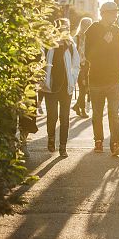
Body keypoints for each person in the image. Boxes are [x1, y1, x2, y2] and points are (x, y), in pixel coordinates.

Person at [85, 2, 119, 156]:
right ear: (103, 13)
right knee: (97, 113)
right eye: (112, 13)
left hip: (114, 80)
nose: (115, 16)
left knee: (114, 114)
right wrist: (104, 42)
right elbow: (88, 55)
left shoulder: (117, 31)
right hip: (96, 79)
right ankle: (98, 141)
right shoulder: (92, 30)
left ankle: (115, 144)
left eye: (116, 13)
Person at [42, 18, 80, 158]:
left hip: (66, 87)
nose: (65, 30)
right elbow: (42, 63)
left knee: (65, 118)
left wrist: (73, 79)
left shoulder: (71, 45)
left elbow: (76, 65)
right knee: (52, 116)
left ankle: (63, 146)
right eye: (62, 28)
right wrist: (44, 80)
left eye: (67, 28)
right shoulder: (48, 44)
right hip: (51, 87)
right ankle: (51, 138)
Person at [72, 17, 93, 118]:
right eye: (86, 24)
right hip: (80, 66)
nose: (88, 27)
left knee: (87, 88)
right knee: (83, 88)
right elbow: (74, 53)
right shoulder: (77, 37)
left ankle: (77, 106)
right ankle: (82, 109)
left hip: (89, 65)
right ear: (82, 25)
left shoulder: (90, 37)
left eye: (90, 24)